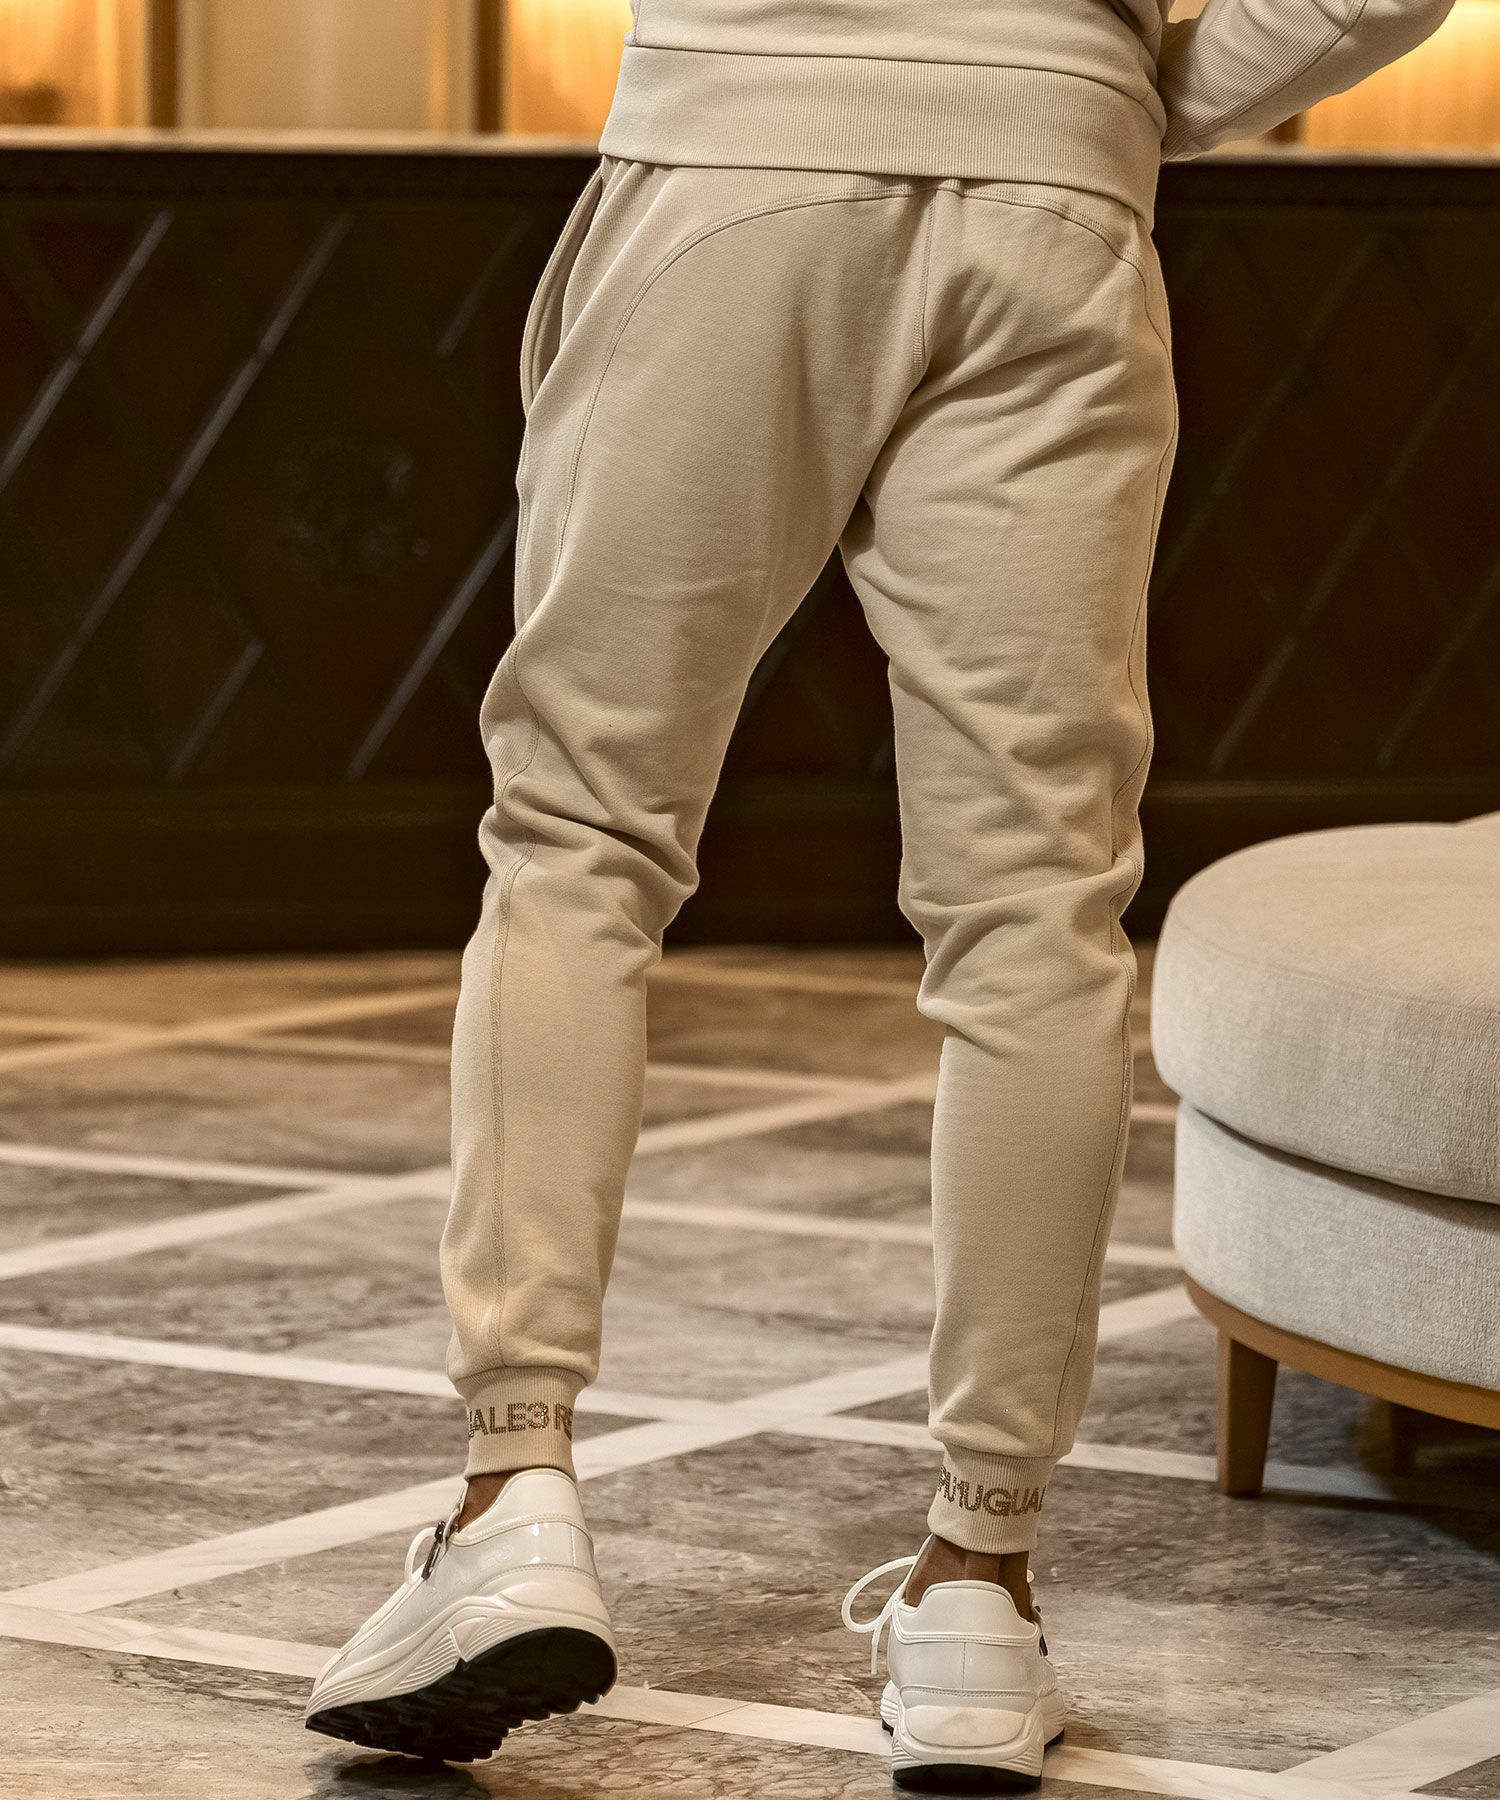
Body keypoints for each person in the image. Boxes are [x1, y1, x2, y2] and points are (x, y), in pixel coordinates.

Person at [304, 0, 1452, 1782]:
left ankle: (512, 1496)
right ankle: (981, 1586)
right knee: (1038, 914)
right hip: (1060, 204)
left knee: (581, 839)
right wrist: (1107, 96)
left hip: (734, 156)